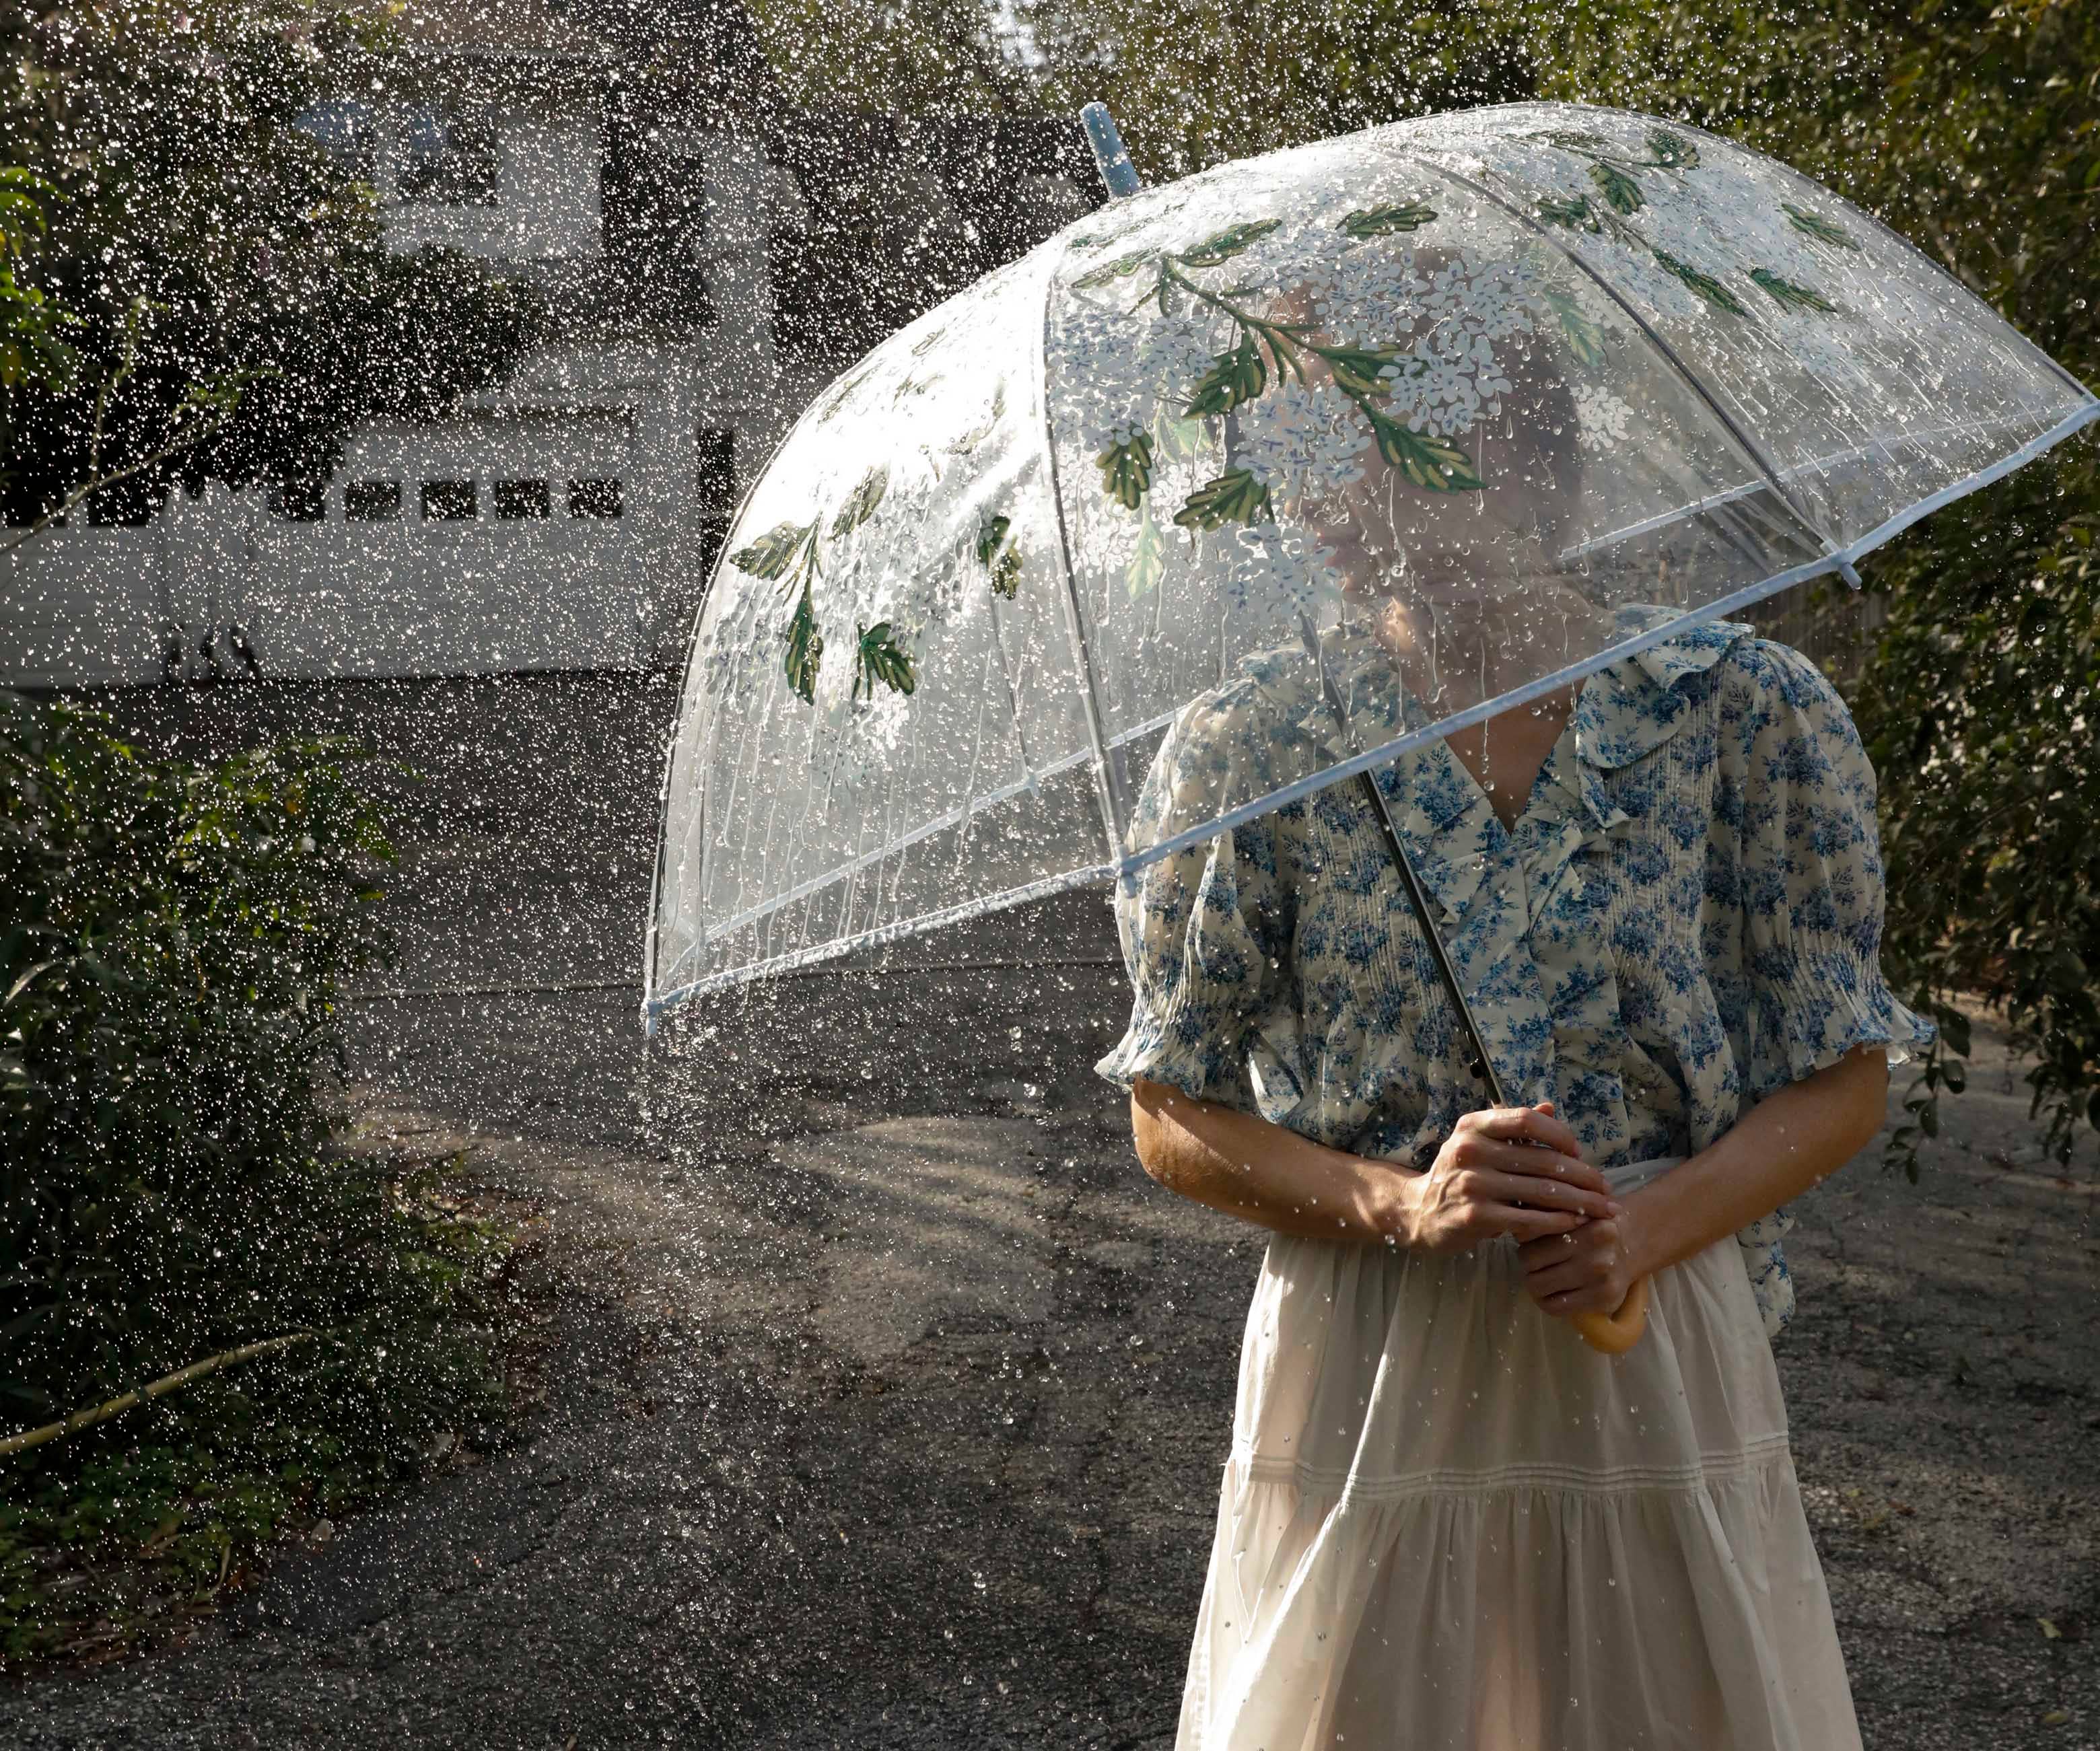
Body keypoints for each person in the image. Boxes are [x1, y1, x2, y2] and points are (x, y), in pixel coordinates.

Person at [1095, 285, 1933, 1749]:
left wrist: (1641, 1231)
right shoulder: (1260, 744)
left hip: (1647, 1353)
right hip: (1368, 1367)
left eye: (1343, 436)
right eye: (1288, 444)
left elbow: (1843, 1074)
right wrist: (1398, 1202)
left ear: (1511, 449)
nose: (1308, 494)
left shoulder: (1740, 710)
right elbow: (1169, 1108)